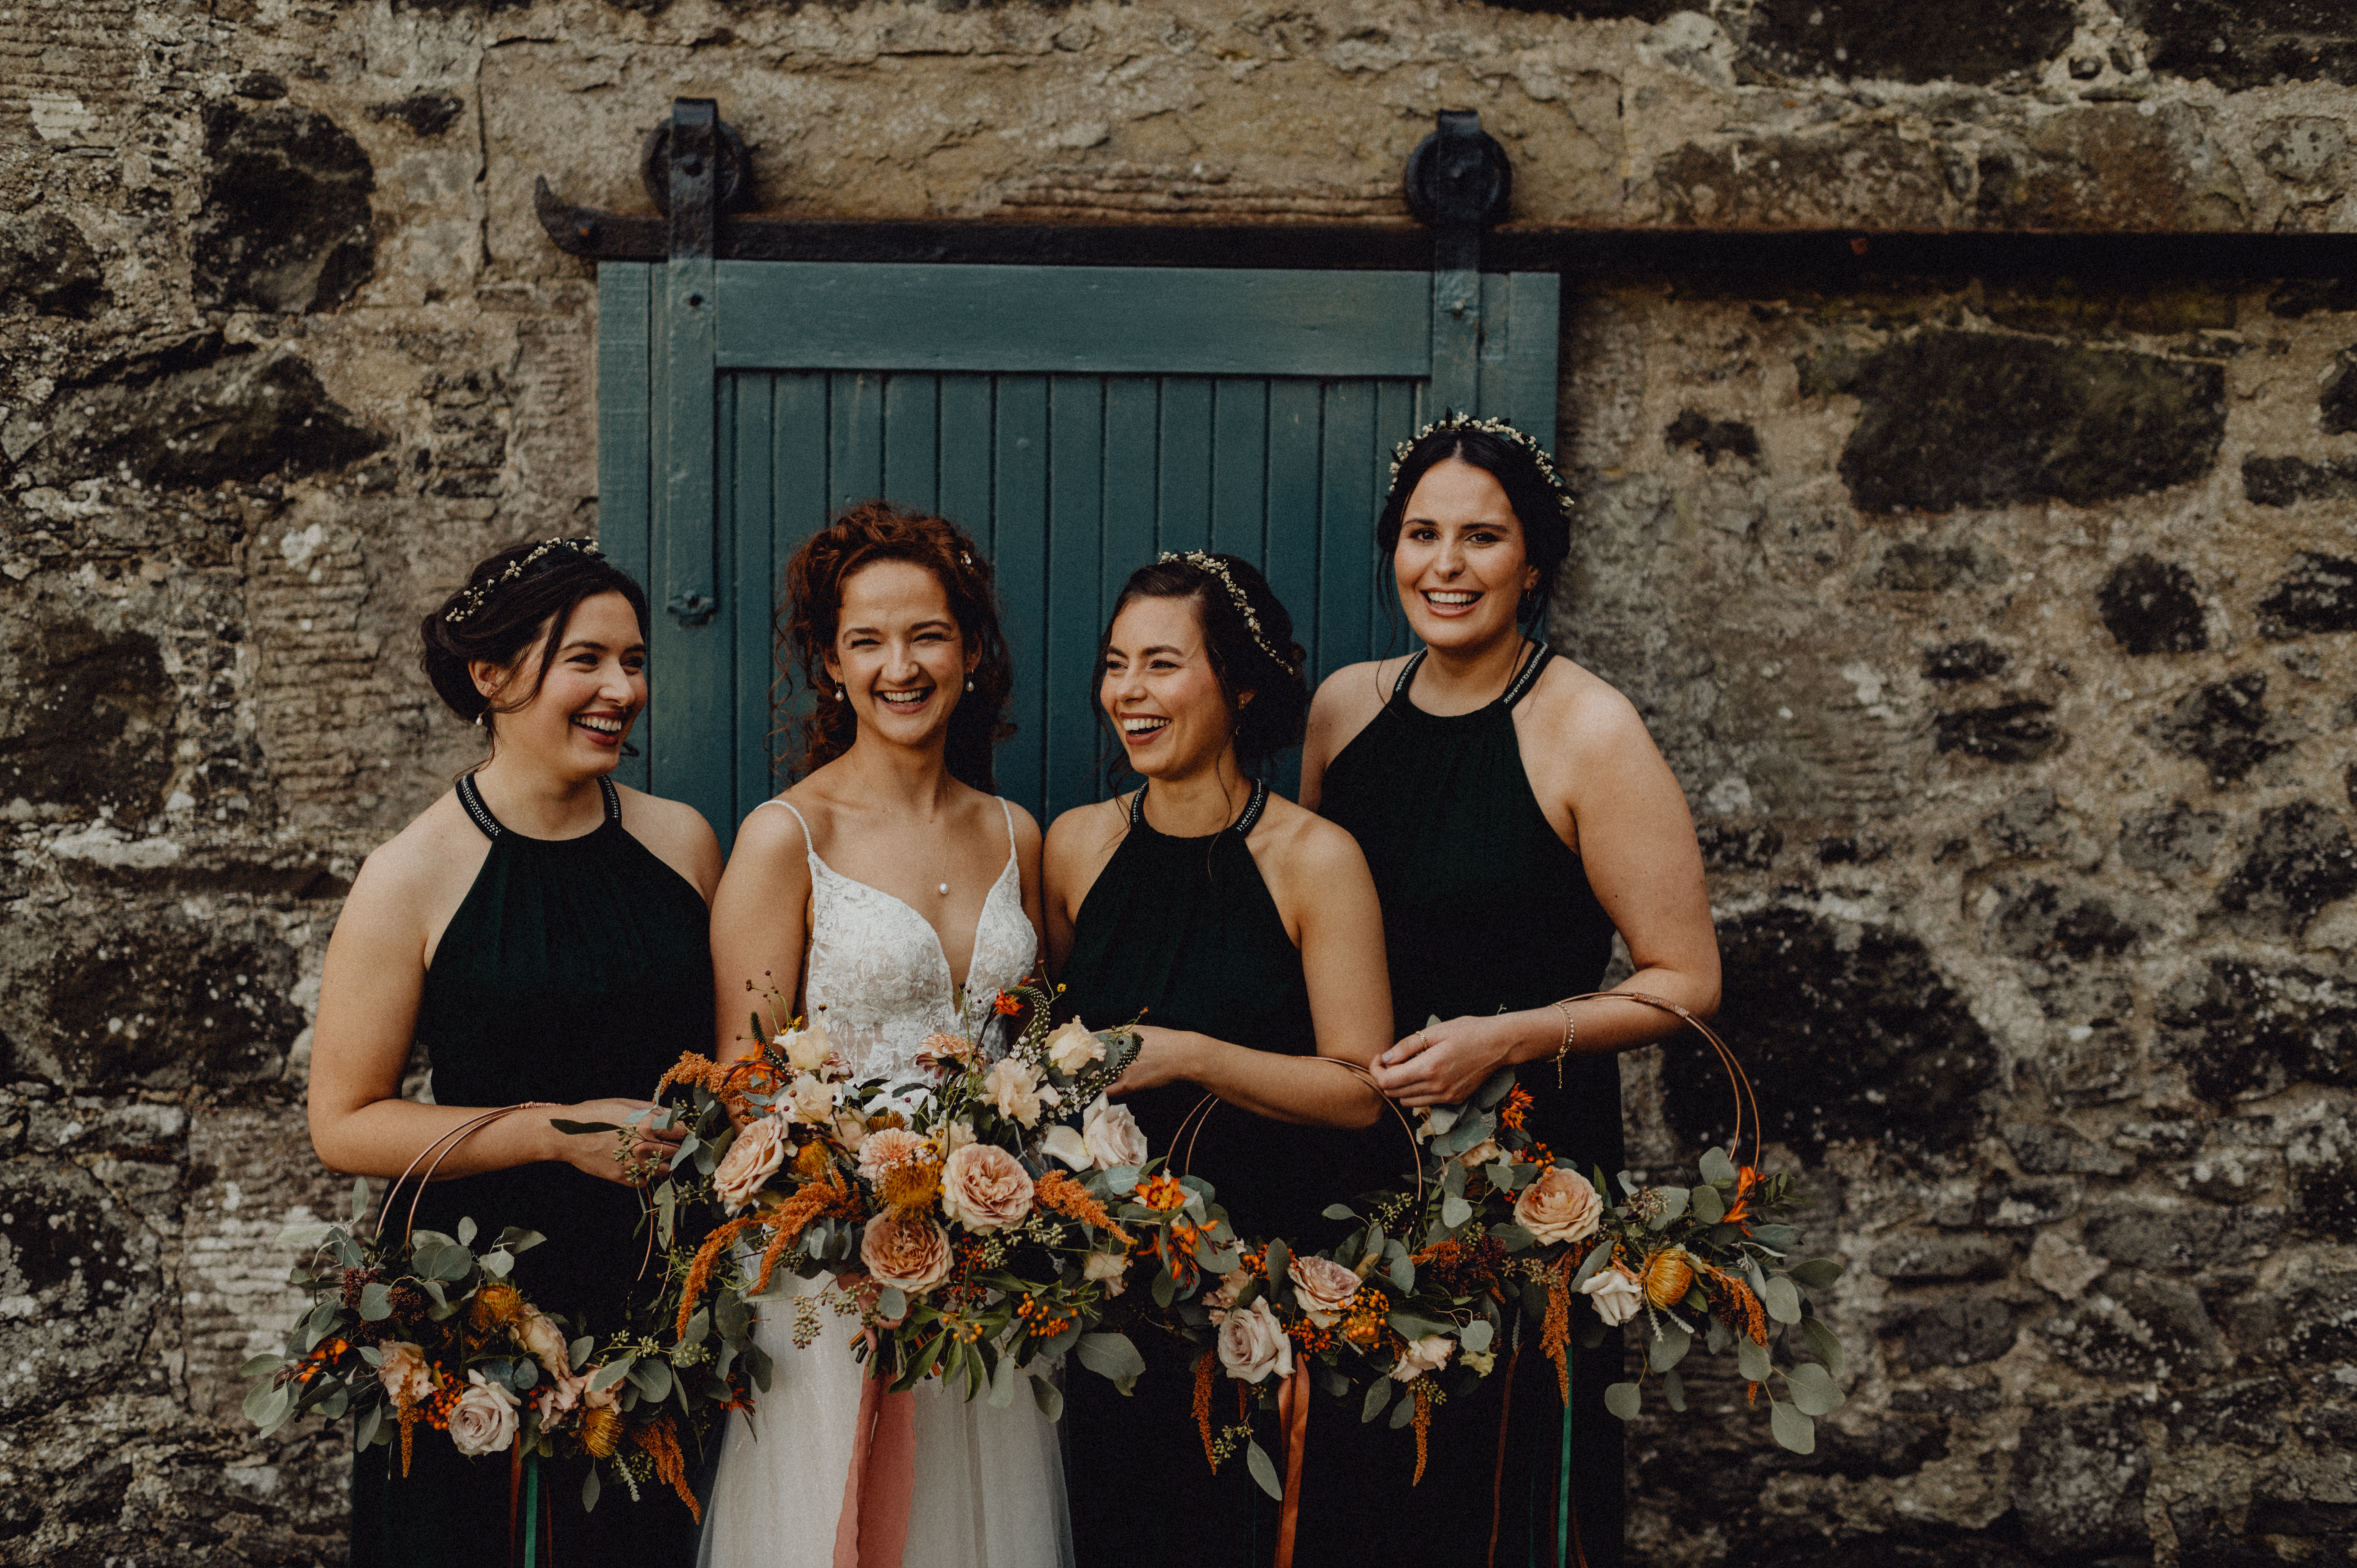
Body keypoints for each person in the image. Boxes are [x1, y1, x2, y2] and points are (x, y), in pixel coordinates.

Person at [1302, 415, 1722, 1568]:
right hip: (1358, 1167)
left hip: (1524, 1174)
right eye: (1422, 533)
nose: (1446, 564)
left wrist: (1507, 1039)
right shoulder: (1344, 710)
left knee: (1499, 1487)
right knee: (1357, 1483)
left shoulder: (1589, 730)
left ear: (1531, 562)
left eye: (1481, 537)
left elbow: (1687, 981)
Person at [309, 537, 722, 1568]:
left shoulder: (682, 843)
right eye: (585, 660)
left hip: (651, 1287)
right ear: (491, 676)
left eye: (632, 661)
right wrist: (555, 1133)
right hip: (481, 1294)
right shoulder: (409, 874)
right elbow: (345, 1121)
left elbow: (729, 1073)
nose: (621, 688)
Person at [698, 502, 1066, 1568]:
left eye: (928, 635)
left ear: (972, 648)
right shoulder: (786, 838)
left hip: (995, 1259)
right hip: (833, 1273)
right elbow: (743, 1078)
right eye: (866, 640)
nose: (899, 666)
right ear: (829, 661)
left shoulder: (1014, 833)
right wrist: (857, 1196)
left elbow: (1028, 1048)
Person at [1046, 551, 1395, 1568]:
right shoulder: (1075, 847)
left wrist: (1192, 1055)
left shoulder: (1315, 860)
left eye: (1162, 663)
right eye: (1117, 664)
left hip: (1262, 1293)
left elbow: (1360, 1090)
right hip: (1102, 1295)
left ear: (1241, 685)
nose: (1130, 692)